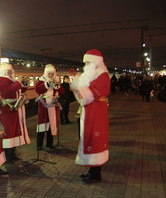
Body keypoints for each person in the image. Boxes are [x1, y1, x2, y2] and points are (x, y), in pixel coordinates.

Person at [70, 49, 110, 183]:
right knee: (89, 138)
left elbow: (90, 95)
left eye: (88, 62)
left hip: (96, 113)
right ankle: (91, 171)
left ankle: (95, 174)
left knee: (95, 139)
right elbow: (83, 94)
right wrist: (77, 86)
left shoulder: (102, 75)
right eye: (85, 62)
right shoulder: (92, 75)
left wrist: (78, 88)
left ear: (95, 62)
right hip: (90, 111)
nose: (86, 65)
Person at [0, 63, 29, 163]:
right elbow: (6, 92)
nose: (11, 73)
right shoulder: (1, 81)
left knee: (14, 132)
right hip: (7, 112)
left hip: (13, 110)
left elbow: (17, 90)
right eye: (9, 71)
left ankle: (12, 154)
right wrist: (18, 81)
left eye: (11, 71)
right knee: (8, 133)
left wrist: (24, 84)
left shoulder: (10, 81)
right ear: (5, 72)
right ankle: (7, 156)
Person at [34, 64, 64, 150]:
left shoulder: (55, 81)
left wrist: (57, 85)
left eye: (52, 73)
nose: (50, 75)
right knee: (42, 126)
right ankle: (39, 145)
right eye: (49, 74)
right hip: (43, 106)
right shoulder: (41, 81)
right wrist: (47, 84)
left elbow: (62, 91)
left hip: (52, 106)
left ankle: (49, 144)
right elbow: (38, 89)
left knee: (51, 125)